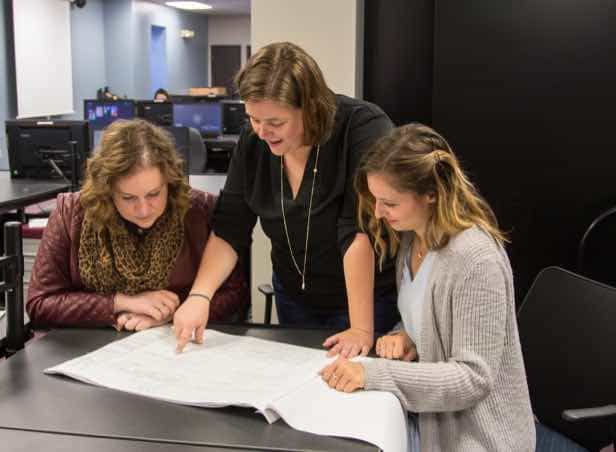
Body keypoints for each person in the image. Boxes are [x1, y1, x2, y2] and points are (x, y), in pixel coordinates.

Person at [173, 41, 399, 356]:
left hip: (367, 299)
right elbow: (230, 227)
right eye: (253, 119)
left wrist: (361, 329)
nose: (262, 132)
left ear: (309, 105)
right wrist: (200, 295)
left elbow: (356, 230)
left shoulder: (361, 128)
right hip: (295, 295)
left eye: (275, 123)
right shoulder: (253, 143)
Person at [320, 123, 536, 451]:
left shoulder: (476, 260)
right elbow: (430, 326)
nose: (377, 213)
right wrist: (406, 338)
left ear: (430, 194)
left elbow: (472, 378)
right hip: (434, 422)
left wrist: (373, 374)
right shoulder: (412, 238)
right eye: (376, 200)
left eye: (389, 202)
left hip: (480, 438)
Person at [27, 119, 248, 330]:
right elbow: (40, 304)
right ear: (107, 189)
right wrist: (121, 302)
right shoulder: (71, 213)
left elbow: (236, 294)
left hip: (176, 344)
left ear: (169, 182)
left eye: (154, 194)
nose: (143, 210)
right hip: (91, 348)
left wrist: (172, 311)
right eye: (128, 198)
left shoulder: (199, 211)